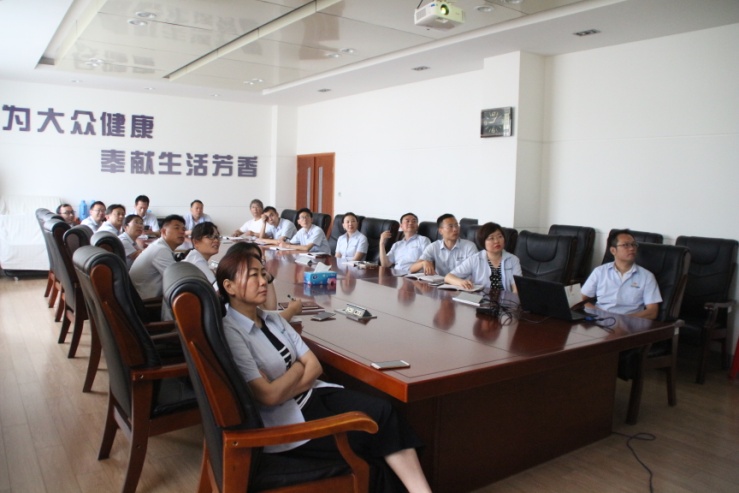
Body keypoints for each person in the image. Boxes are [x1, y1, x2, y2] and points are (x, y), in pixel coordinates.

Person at [217, 247, 431, 493]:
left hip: (313, 395)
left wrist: (285, 380)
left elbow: (314, 366)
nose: (263, 281)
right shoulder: (231, 332)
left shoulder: (272, 319)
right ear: (229, 287)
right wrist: (298, 367)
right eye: (253, 275)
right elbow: (269, 396)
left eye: (263, 273)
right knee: (374, 443)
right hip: (288, 421)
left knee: (384, 411)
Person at [581, 229, 662, 319]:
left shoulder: (647, 276)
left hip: (630, 323)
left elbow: (652, 312)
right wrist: (598, 313)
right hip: (600, 319)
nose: (632, 248)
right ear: (613, 250)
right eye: (625, 245)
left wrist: (623, 320)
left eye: (634, 244)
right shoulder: (600, 272)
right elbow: (580, 301)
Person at [444, 222, 521, 292]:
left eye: (500, 236)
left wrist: (513, 302)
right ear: (483, 242)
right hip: (480, 299)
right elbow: (448, 277)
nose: (497, 241)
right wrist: (461, 282)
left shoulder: (513, 260)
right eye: (491, 238)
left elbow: (517, 289)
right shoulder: (475, 259)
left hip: (505, 301)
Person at [129, 214, 186, 299]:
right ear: (163, 232)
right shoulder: (160, 250)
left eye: (183, 229)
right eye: (176, 228)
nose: (182, 232)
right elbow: (177, 279)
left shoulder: (160, 246)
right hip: (147, 302)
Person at [410, 213, 477, 276]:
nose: (455, 229)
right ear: (440, 231)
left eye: (456, 225)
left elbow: (476, 271)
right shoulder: (434, 246)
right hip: (440, 283)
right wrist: (423, 263)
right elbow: (412, 269)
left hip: (463, 283)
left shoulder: (469, 246)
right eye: (450, 226)